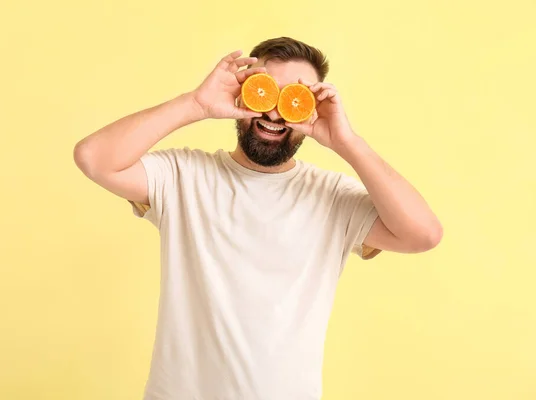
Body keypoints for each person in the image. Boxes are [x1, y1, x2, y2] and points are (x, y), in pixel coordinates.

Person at [73, 37, 442, 400]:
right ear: (245, 92)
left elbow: (423, 234)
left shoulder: (333, 198)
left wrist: (347, 142)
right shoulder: (182, 176)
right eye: (267, 91)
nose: (274, 112)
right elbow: (93, 158)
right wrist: (196, 104)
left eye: (294, 99)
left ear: (310, 108)